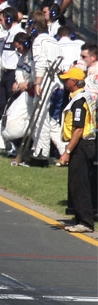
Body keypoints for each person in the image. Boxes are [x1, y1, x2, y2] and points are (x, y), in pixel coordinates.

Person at [58, 66, 95, 233]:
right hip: (83, 144)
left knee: (80, 184)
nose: (65, 82)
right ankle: (80, 219)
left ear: (74, 82)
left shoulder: (79, 101)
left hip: (81, 145)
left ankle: (86, 222)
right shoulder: (80, 97)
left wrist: (67, 151)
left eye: (67, 80)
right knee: (76, 183)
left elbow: (78, 129)